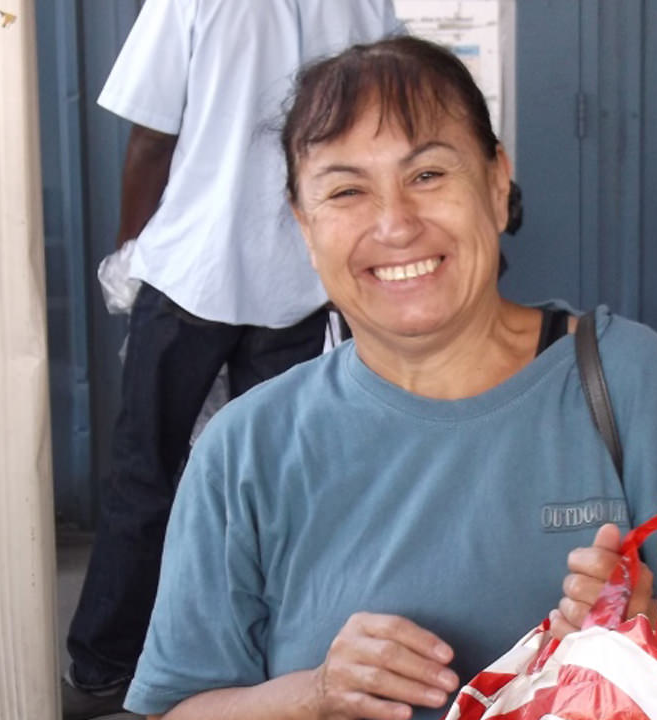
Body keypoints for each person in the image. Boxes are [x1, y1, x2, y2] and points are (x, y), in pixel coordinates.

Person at [124, 36, 657, 720]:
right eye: (346, 189)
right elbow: (179, 706)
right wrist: (315, 694)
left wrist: (651, 634)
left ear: (498, 185)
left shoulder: (621, 378)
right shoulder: (246, 447)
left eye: (428, 175)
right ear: (304, 225)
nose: (395, 224)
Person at [61, 2, 401, 718]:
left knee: (144, 476)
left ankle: (102, 665)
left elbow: (152, 137)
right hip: (304, 276)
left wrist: (132, 246)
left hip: (194, 269)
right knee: (276, 490)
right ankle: (267, 667)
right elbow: (384, 121)